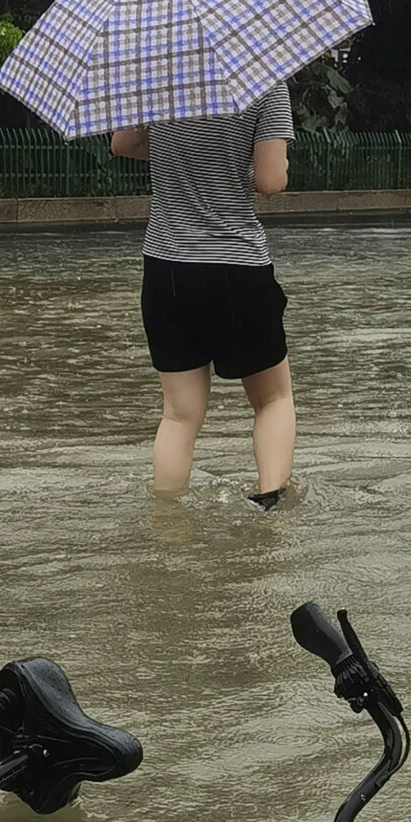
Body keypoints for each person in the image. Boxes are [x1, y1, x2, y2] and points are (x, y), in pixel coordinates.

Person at [110, 86, 295, 507]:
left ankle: (170, 528)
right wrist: (241, 164)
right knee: (272, 399)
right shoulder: (265, 83)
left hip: (166, 269)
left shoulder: (158, 72)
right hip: (237, 266)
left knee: (179, 415)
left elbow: (122, 143)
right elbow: (270, 180)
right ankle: (270, 511)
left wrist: (181, 157)